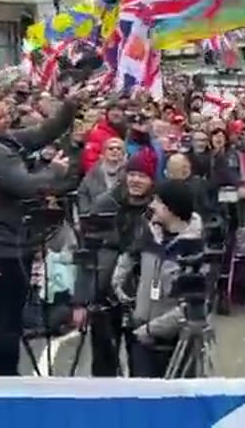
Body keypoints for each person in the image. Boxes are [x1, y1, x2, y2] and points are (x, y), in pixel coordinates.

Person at [0, 88, 78, 376]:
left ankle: (3, 371)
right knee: (5, 318)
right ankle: (3, 376)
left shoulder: (2, 140)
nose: (8, 119)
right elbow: (27, 185)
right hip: (3, 246)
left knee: (8, 314)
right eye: (0, 116)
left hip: (11, 240)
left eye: (8, 113)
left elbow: (41, 133)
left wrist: (70, 105)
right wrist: (54, 172)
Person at [72, 149, 156, 377]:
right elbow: (86, 253)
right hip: (103, 292)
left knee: (142, 363)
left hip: (141, 297)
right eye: (133, 174)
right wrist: (80, 301)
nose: (136, 180)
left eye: (143, 176)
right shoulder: (105, 203)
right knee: (103, 363)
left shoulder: (158, 210)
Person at [111, 178, 202, 377]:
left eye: (158, 202)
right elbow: (130, 256)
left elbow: (193, 307)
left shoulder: (195, 250)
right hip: (140, 337)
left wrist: (151, 330)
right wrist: (119, 284)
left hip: (175, 345)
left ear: (172, 209)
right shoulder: (149, 234)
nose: (152, 205)